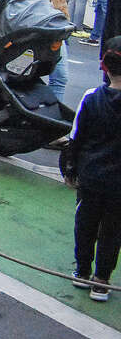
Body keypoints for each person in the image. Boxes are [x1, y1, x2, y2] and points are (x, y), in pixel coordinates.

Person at [62, 36, 121, 303]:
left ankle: (82, 270)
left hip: (91, 177)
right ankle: (102, 280)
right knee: (113, 231)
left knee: (85, 225)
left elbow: (75, 138)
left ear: (104, 67)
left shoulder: (91, 97)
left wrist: (71, 170)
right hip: (118, 184)